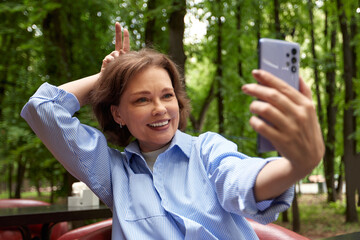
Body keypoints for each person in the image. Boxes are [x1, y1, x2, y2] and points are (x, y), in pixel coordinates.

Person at [21, 22, 324, 239]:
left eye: (167, 95)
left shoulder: (208, 150)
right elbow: (43, 108)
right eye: (142, 99)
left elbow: (243, 180)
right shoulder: (112, 172)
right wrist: (102, 79)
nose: (160, 108)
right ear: (118, 114)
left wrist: (295, 165)